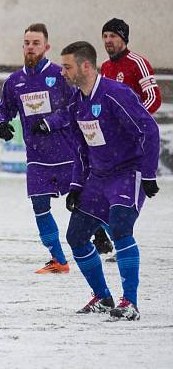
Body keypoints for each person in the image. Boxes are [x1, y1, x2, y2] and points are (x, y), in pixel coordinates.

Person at [60, 41, 159, 320]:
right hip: (98, 177)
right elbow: (80, 148)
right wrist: (76, 185)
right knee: (76, 236)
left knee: (119, 228)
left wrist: (149, 174)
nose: (63, 73)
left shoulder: (116, 94)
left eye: (67, 67)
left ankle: (130, 302)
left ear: (86, 66)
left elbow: (149, 131)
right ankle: (103, 298)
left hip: (128, 172)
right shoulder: (75, 103)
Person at [0, 24, 77, 274]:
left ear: (46, 47)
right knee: (40, 207)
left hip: (67, 154)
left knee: (84, 204)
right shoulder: (15, 81)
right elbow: (2, 110)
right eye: (27, 43)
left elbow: (74, 109)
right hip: (37, 158)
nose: (30, 47)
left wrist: (49, 123)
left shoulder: (60, 76)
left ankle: (109, 240)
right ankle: (58, 260)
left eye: (36, 43)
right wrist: (0, 125)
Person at [90, 19, 162, 258]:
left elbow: (154, 98)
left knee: (126, 199)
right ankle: (102, 230)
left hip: (134, 145)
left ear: (124, 38)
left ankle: (114, 236)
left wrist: (134, 121)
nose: (108, 40)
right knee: (100, 189)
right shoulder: (105, 68)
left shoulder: (138, 64)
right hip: (110, 145)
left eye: (113, 35)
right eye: (105, 36)